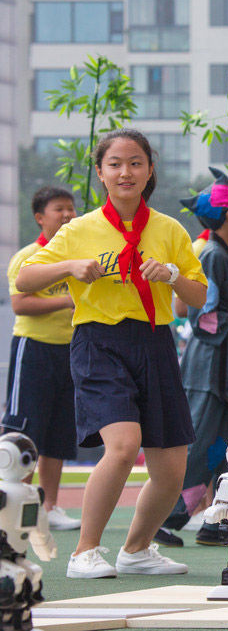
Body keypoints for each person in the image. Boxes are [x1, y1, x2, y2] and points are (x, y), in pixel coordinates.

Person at [17, 128, 208, 577]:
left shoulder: (169, 229)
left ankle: (137, 550)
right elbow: (26, 279)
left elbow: (198, 296)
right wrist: (70, 267)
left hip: (156, 342)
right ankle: (84, 551)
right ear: (101, 172)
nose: (126, 172)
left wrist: (171, 275)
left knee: (172, 468)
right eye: (116, 164)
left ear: (150, 170)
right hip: (99, 343)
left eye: (136, 162)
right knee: (123, 447)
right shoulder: (79, 229)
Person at [153, 167, 228, 548]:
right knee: (202, 444)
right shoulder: (213, 255)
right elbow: (200, 315)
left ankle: (221, 520)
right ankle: (163, 519)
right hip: (210, 369)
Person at [3, 186, 81, 531]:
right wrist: (66, 302)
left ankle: (49, 506)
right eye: (58, 209)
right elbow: (21, 304)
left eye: (71, 208)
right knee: (25, 430)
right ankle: (15, 500)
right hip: (33, 350)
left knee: (59, 434)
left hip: (70, 352)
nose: (67, 214)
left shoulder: (79, 257)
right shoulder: (28, 256)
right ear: (40, 217)